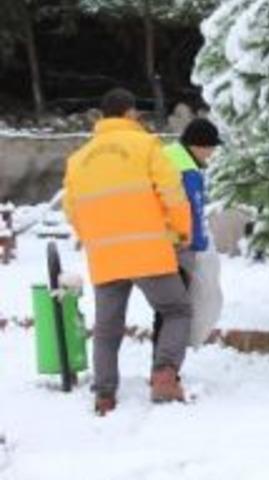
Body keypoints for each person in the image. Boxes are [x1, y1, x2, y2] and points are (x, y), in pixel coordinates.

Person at [62, 88, 193, 415]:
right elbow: (173, 194)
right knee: (177, 310)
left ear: (102, 116)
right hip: (149, 250)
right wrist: (182, 231)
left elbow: (71, 211)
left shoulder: (77, 160)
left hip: (105, 256)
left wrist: (93, 239)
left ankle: (104, 395)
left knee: (107, 328)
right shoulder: (147, 146)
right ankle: (164, 376)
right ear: (131, 114)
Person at [152, 118, 222, 351]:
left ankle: (160, 363)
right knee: (176, 310)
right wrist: (199, 245)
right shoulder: (189, 171)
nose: (211, 154)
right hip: (178, 244)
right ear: (199, 146)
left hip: (153, 240)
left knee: (164, 308)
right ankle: (166, 368)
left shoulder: (166, 156)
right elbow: (194, 209)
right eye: (211, 148)